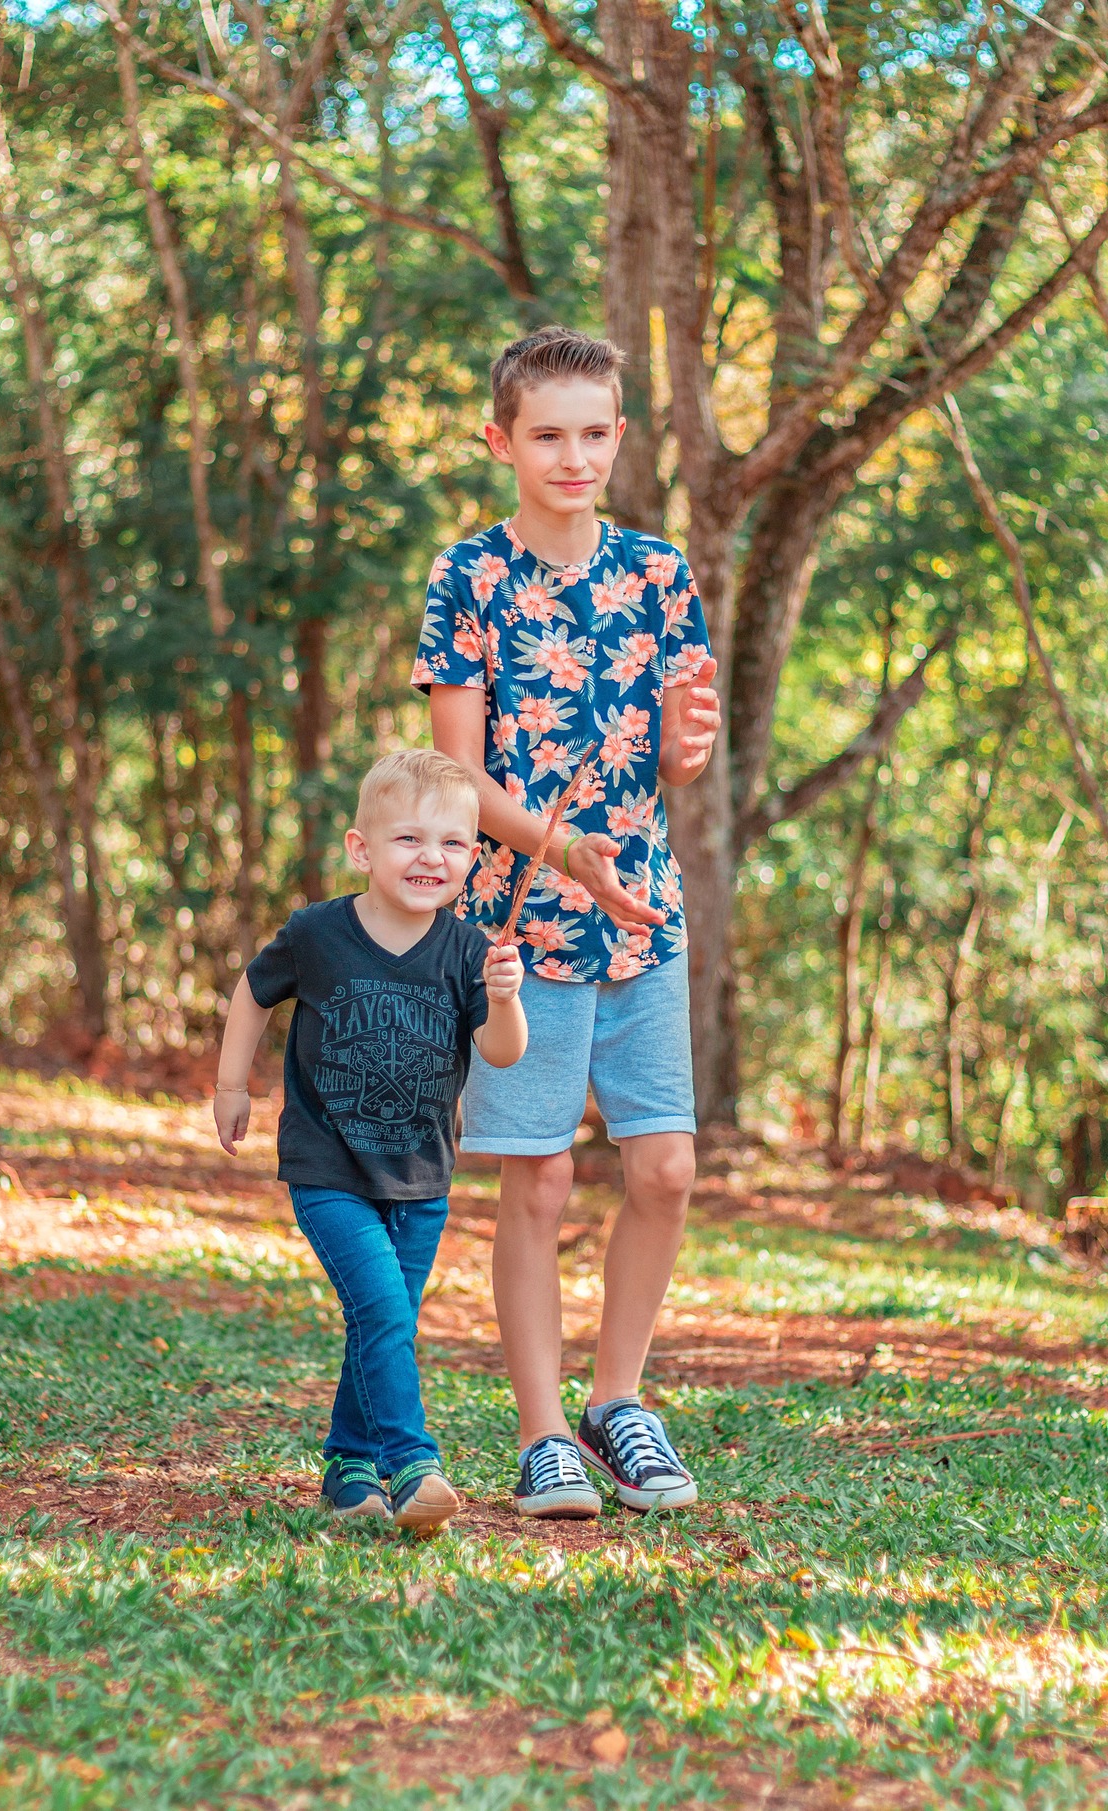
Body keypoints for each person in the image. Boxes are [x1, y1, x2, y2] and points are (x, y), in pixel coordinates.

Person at [414, 325, 722, 1519]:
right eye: (548, 433)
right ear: (502, 441)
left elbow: (676, 760)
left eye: (595, 432)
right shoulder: (470, 578)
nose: (574, 454)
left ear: (620, 439)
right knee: (537, 1180)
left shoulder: (659, 574)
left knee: (666, 1165)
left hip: (642, 914)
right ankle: (544, 1433)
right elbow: (456, 780)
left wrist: (686, 752)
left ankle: (618, 1402)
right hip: (521, 923)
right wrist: (562, 851)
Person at [213, 749, 527, 1531]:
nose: (432, 857)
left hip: (422, 1177)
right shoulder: (318, 932)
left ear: (473, 858)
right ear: (362, 849)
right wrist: (230, 1084)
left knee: (383, 1317)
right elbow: (253, 992)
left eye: (453, 843)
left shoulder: (466, 952)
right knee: (384, 1307)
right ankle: (413, 1462)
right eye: (409, 840)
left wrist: (505, 997)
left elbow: (502, 1052)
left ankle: (348, 1461)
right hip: (328, 1165)